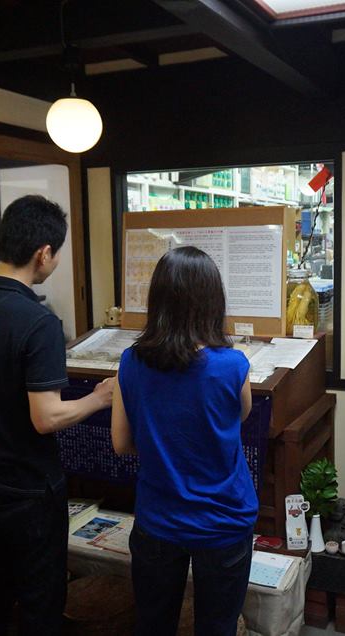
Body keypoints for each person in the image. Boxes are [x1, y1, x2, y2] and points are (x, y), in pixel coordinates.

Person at [0, 194, 114, 635]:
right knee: (41, 599)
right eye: (56, 255)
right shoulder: (38, 322)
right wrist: (99, 398)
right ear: (44, 253)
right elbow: (47, 417)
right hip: (28, 488)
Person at [111, 246, 256, 636]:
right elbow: (239, 417)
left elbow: (121, 443)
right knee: (218, 627)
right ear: (212, 301)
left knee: (153, 626)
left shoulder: (131, 362)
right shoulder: (233, 365)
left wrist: (163, 444)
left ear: (157, 301)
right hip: (225, 520)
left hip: (159, 520)